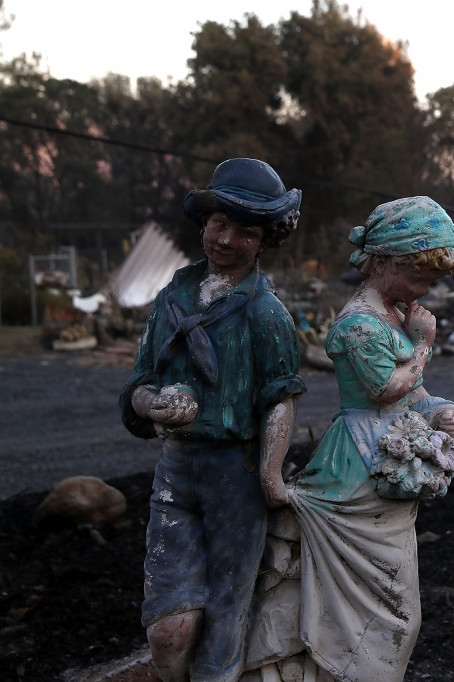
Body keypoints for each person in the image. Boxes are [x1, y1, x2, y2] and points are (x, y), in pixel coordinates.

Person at [243, 196, 454, 681]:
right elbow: (386, 389)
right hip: (358, 465)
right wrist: (426, 345)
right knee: (382, 606)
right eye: (419, 275)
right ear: (384, 262)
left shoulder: (394, 315)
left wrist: (443, 412)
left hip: (386, 460)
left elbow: (415, 395)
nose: (425, 288)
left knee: (399, 605)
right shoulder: (357, 325)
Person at [120, 158, 306, 682]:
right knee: (169, 629)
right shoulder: (171, 299)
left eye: (244, 232)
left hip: (236, 474)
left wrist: (271, 474)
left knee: (227, 613)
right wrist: (150, 403)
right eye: (219, 225)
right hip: (177, 470)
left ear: (263, 241)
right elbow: (138, 379)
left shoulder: (266, 313)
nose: (226, 240)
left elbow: (280, 399)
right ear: (203, 224)